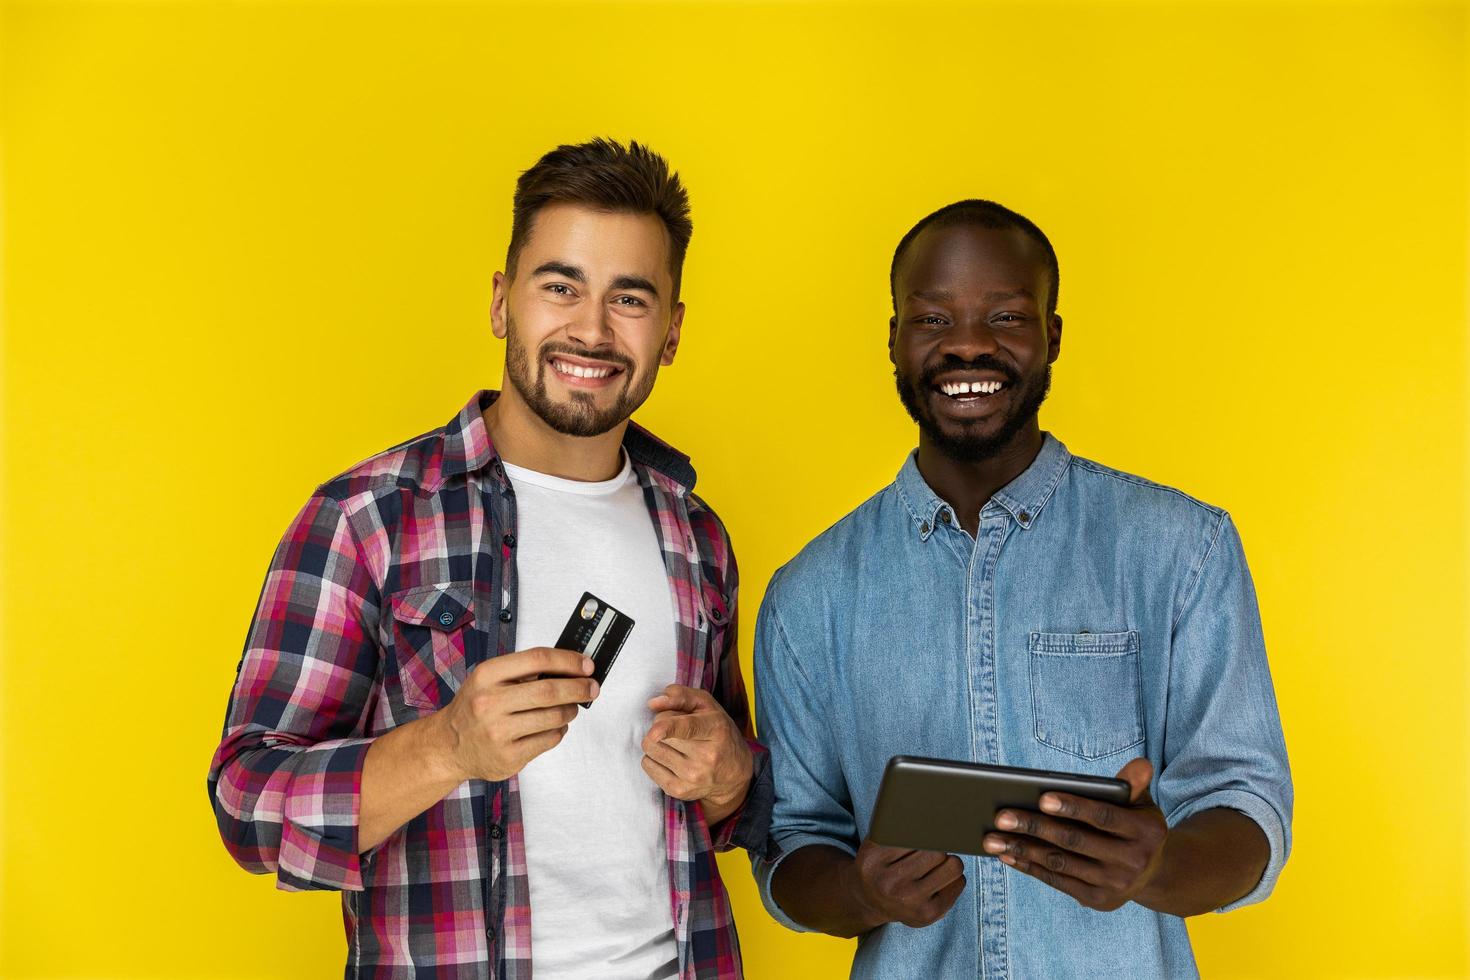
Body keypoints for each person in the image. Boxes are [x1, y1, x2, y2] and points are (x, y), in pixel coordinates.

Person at [209, 138, 770, 979]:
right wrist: (447, 748)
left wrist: (728, 774)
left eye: (630, 298)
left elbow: (730, 809)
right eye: (560, 286)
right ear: (503, 302)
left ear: (673, 330)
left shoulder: (697, 538)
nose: (591, 328)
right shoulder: (369, 518)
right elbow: (246, 805)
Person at [752, 199, 1291, 978]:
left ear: (1053, 336)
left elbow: (1250, 809)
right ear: (894, 340)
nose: (968, 345)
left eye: (1005, 317)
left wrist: (1156, 869)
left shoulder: (1182, 547)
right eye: (932, 320)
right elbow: (791, 850)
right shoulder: (808, 594)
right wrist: (861, 891)